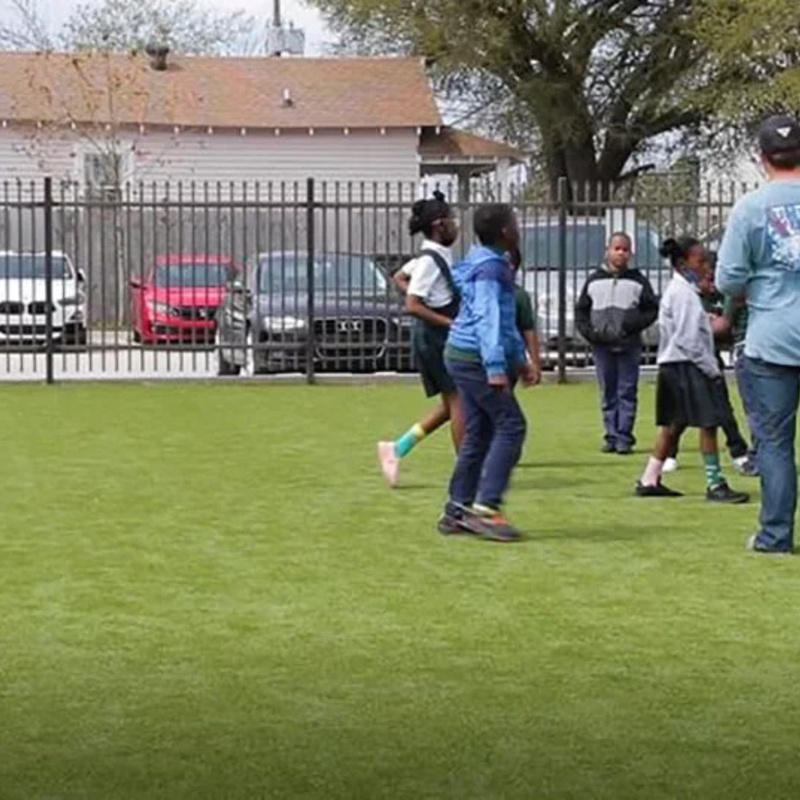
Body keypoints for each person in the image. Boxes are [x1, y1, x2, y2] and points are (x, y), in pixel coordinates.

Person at [717, 113, 800, 554]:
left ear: (762, 157)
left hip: (773, 337)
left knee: (774, 443)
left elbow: (729, 278)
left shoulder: (751, 208)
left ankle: (776, 534)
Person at [438, 204, 538, 542]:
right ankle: (486, 508)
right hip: (474, 359)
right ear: (505, 232)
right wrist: (496, 367)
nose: (519, 228)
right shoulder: (491, 269)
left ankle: (457, 510)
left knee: (479, 432)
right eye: (516, 223)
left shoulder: (485, 262)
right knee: (512, 426)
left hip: (463, 355)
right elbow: (488, 318)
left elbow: (504, 319)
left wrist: (519, 360)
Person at [634, 236, 749, 504]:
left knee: (674, 425)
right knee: (708, 424)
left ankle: (649, 478)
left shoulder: (683, 292)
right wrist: (711, 368)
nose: (706, 266)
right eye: (701, 261)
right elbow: (689, 340)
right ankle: (714, 482)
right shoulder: (683, 294)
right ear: (683, 263)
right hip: (687, 366)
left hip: (673, 366)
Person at [377, 192, 463, 488]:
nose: (456, 225)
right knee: (459, 400)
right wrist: (450, 322)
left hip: (437, 335)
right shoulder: (430, 260)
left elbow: (399, 276)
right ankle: (468, 470)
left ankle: (396, 449)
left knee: (453, 403)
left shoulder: (431, 256)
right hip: (435, 338)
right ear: (440, 225)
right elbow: (413, 305)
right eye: (452, 219)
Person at [662, 253, 756, 475]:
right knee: (681, 415)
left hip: (709, 358)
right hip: (686, 361)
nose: (712, 281)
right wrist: (707, 326)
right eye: (708, 276)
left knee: (720, 409)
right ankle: (668, 454)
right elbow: (689, 332)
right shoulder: (690, 296)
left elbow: (727, 325)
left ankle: (737, 451)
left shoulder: (728, 295)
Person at [575, 232, 659, 455]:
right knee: (607, 390)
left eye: (625, 249)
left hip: (628, 343)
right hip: (601, 345)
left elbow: (651, 309)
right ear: (607, 250)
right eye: (616, 248)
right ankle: (610, 434)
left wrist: (632, 325)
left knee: (627, 390)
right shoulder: (594, 280)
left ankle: (624, 436)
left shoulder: (638, 281)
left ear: (631, 253)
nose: (620, 253)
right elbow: (581, 310)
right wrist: (590, 333)